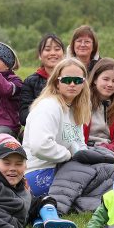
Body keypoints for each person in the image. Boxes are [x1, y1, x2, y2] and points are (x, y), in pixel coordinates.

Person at [23, 57, 90, 197]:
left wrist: (87, 158)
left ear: (83, 84)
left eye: (78, 80)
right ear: (56, 82)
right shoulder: (49, 106)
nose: (72, 84)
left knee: (104, 170)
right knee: (100, 178)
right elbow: (39, 146)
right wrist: (68, 155)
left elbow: (80, 145)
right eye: (66, 80)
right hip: (38, 175)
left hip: (61, 169)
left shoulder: (75, 110)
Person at [83, 57, 114, 156]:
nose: (110, 84)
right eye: (105, 79)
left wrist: (107, 148)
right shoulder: (82, 102)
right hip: (83, 148)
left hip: (107, 151)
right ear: (95, 79)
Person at [19, 34, 65, 126]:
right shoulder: (30, 82)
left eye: (57, 49)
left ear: (64, 54)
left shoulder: (71, 80)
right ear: (40, 55)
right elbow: (23, 116)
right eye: (47, 49)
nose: (52, 53)